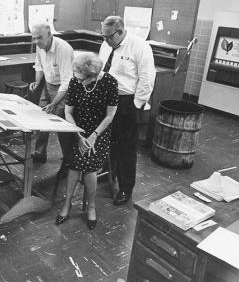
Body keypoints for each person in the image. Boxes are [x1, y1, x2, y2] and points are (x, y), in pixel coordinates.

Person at [56, 52, 118, 230]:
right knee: (75, 162)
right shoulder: (75, 81)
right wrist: (79, 135)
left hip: (100, 130)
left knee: (88, 162)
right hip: (77, 128)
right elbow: (68, 112)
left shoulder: (110, 83)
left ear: (94, 75)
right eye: (78, 79)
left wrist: (93, 136)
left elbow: (110, 116)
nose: (80, 82)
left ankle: (91, 206)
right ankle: (67, 203)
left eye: (84, 80)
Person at [98, 16, 155, 206]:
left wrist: (136, 105)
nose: (105, 41)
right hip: (107, 99)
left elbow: (147, 79)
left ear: (121, 31)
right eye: (103, 36)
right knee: (108, 141)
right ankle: (110, 175)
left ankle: (125, 187)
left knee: (126, 148)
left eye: (109, 37)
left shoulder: (140, 46)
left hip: (127, 102)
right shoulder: (107, 44)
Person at [28, 23, 74, 178]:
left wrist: (54, 103)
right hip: (47, 84)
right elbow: (39, 65)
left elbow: (67, 81)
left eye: (39, 38)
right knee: (42, 118)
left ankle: (68, 162)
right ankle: (40, 153)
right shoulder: (40, 45)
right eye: (33, 38)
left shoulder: (63, 49)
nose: (36, 42)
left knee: (61, 126)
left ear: (49, 34)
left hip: (62, 88)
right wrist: (37, 83)